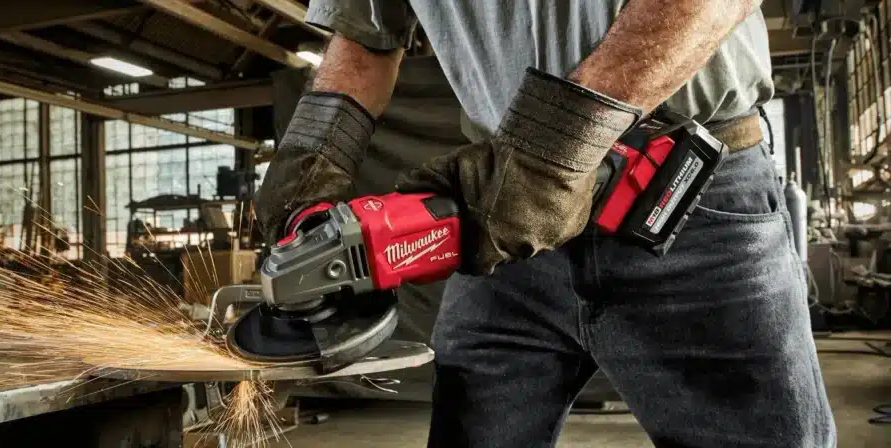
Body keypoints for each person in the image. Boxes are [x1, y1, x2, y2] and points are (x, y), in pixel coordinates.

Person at [254, 1, 837, 446]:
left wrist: (553, 149)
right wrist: (312, 160)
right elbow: (362, 36)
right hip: (501, 218)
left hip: (683, 197)